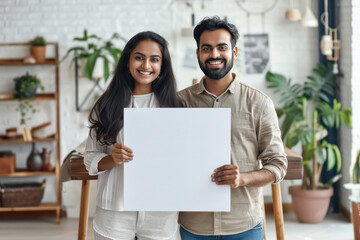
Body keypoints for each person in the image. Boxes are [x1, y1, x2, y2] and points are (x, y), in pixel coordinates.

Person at [177, 16, 288, 240]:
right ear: (198, 53)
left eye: (222, 47)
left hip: (244, 225)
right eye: (206, 48)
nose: (214, 54)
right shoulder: (179, 103)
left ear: (234, 52)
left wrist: (243, 179)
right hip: (193, 226)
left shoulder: (259, 103)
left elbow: (277, 165)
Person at [84, 31, 179, 240]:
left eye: (154, 59)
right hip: (115, 210)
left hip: (161, 211)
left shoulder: (175, 106)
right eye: (139, 57)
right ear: (127, 61)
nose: (146, 65)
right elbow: (89, 156)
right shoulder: (107, 104)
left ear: (162, 67)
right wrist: (112, 159)